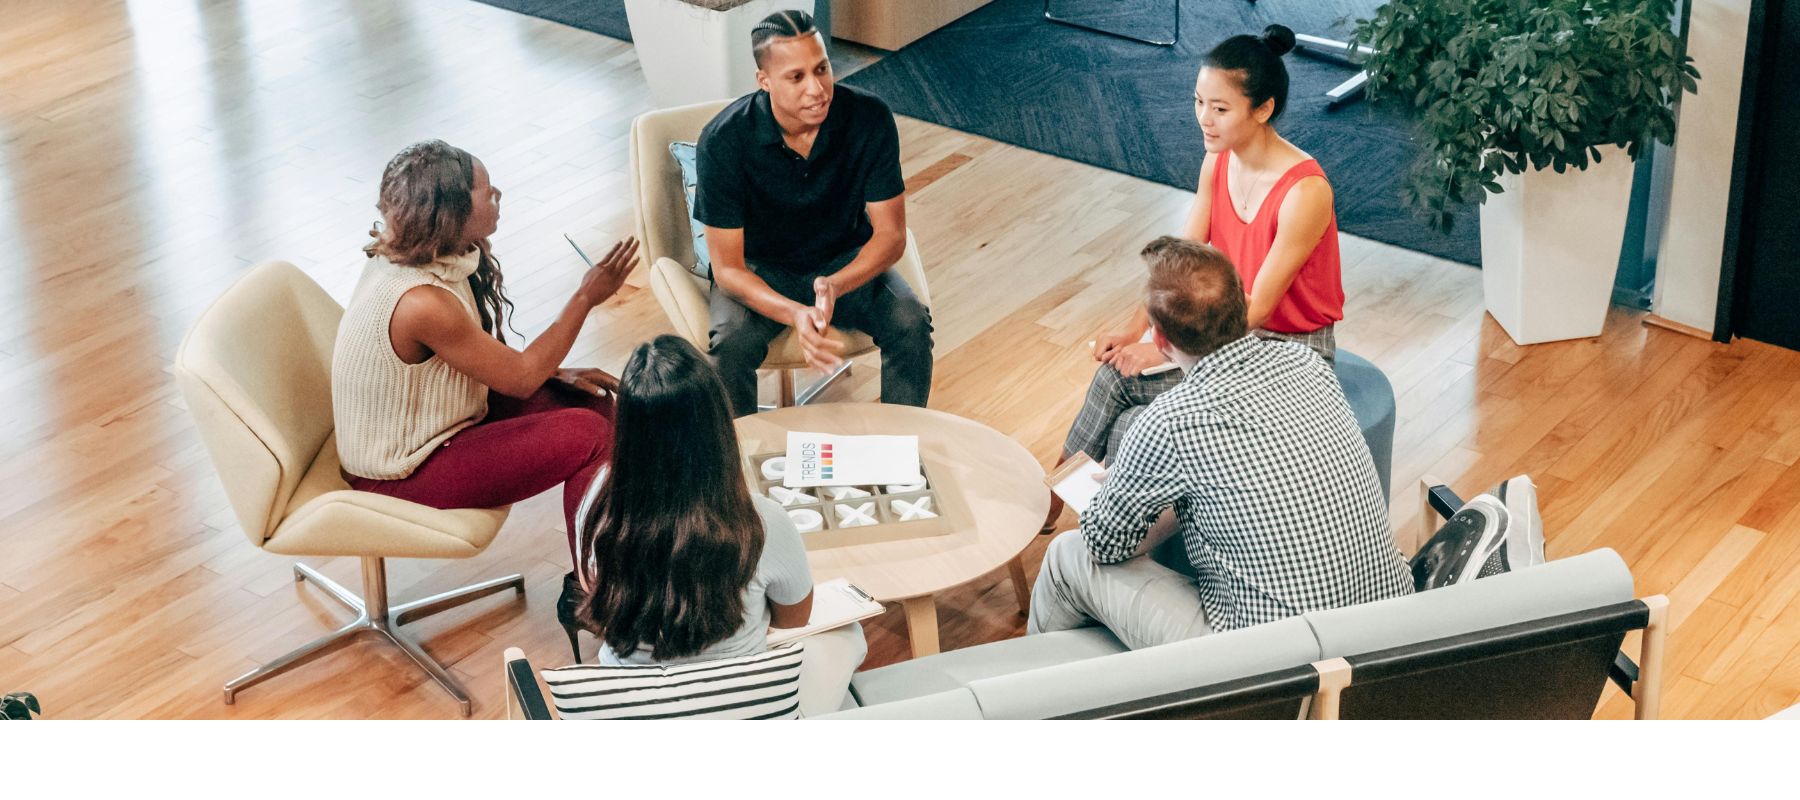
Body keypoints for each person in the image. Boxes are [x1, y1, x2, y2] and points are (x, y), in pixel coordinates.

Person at [1029, 237, 1412, 650]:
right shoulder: (1309, 366)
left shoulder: (1171, 421)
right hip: (1387, 633)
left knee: (1066, 558)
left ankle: (1033, 700)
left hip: (1270, 664)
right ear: (1243, 306)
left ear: (1159, 342)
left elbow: (1104, 545)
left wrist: (1129, 487)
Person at [330, 139, 640, 641]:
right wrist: (586, 296)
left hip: (439, 421)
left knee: (599, 406)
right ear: (450, 211)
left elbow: (489, 364)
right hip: (400, 469)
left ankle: (626, 569)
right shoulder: (420, 300)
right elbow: (517, 378)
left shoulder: (436, 259)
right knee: (588, 435)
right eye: (483, 189)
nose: (496, 193)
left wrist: (554, 374)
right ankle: (600, 597)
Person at [1046, 24, 1345, 531]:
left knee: (1140, 424)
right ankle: (1053, 504)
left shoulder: (1306, 192)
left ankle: (1110, 536)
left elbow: (1258, 310)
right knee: (1112, 377)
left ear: (1264, 108)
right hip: (1221, 327)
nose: (1205, 119)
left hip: (1289, 348)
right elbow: (1179, 265)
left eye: (1221, 108)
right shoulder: (1218, 158)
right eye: (1198, 102)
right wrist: (1136, 331)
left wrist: (1163, 348)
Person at [571, 335, 867, 716]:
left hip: (635, 709)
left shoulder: (598, 504)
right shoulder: (760, 521)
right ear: (716, 426)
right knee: (848, 635)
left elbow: (592, 586)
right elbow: (794, 618)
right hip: (738, 706)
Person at [696, 10, 933, 417]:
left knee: (911, 324)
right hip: (761, 268)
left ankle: (900, 449)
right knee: (730, 344)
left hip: (845, 259)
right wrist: (796, 313)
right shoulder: (723, 142)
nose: (818, 89)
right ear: (764, 81)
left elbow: (891, 235)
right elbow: (728, 268)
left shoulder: (868, 118)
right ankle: (736, 461)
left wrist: (835, 286)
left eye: (822, 68)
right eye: (796, 77)